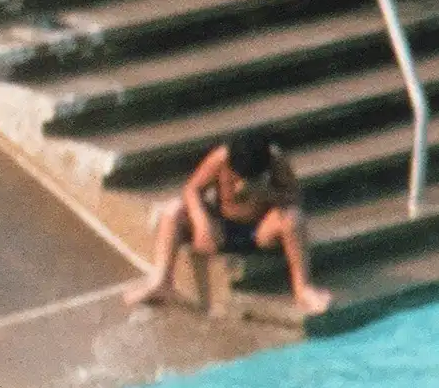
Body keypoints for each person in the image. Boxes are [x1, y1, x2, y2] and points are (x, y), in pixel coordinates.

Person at [128, 130, 334, 316]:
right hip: (222, 226)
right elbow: (191, 189)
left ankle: (302, 288)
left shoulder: (276, 160)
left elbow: (294, 198)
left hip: (260, 230)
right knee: (173, 210)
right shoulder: (220, 158)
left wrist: (265, 192)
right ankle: (161, 282)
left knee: (293, 218)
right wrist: (202, 222)